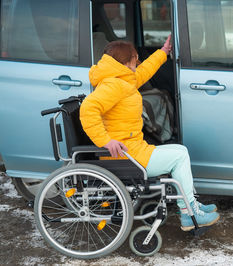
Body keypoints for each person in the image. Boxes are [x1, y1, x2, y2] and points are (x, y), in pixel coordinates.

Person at [79, 36, 220, 231]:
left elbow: (144, 72)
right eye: (135, 60)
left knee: (179, 149)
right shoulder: (114, 85)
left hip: (133, 150)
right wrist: (105, 141)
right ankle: (189, 212)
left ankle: (191, 204)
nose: (137, 63)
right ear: (125, 62)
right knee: (179, 156)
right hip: (127, 155)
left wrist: (163, 51)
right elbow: (88, 109)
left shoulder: (121, 80)